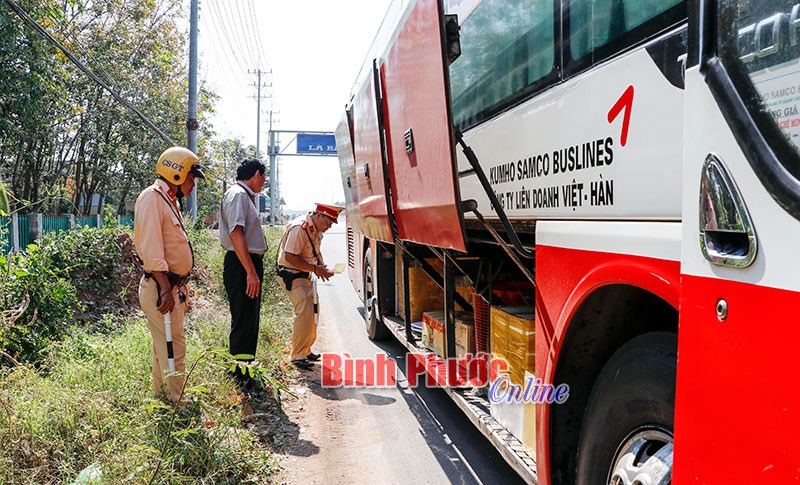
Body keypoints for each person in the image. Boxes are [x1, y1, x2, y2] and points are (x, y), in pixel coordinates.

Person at [134, 146, 205, 404]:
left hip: (173, 287)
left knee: (163, 347)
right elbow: (151, 250)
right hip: (161, 287)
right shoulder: (152, 199)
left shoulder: (168, 201)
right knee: (173, 346)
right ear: (176, 174)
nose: (193, 184)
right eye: (191, 177)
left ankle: (161, 397)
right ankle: (177, 402)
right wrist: (165, 289)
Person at [219, 158, 268, 386]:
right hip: (242, 264)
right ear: (256, 174)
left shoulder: (244, 196)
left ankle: (246, 371)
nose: (263, 182)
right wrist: (250, 271)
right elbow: (236, 233)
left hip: (245, 263)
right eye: (263, 177)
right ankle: (241, 376)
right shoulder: (238, 195)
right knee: (243, 320)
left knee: (249, 319)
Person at [277, 202, 344, 369]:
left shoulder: (314, 230)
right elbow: (290, 256)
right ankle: (297, 355)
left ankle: (306, 350)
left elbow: (315, 251)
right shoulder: (299, 228)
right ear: (319, 215)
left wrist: (322, 267)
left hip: (304, 275)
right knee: (305, 311)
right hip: (291, 274)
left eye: (331, 224)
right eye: (327, 223)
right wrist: (316, 269)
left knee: (314, 311)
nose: (328, 227)